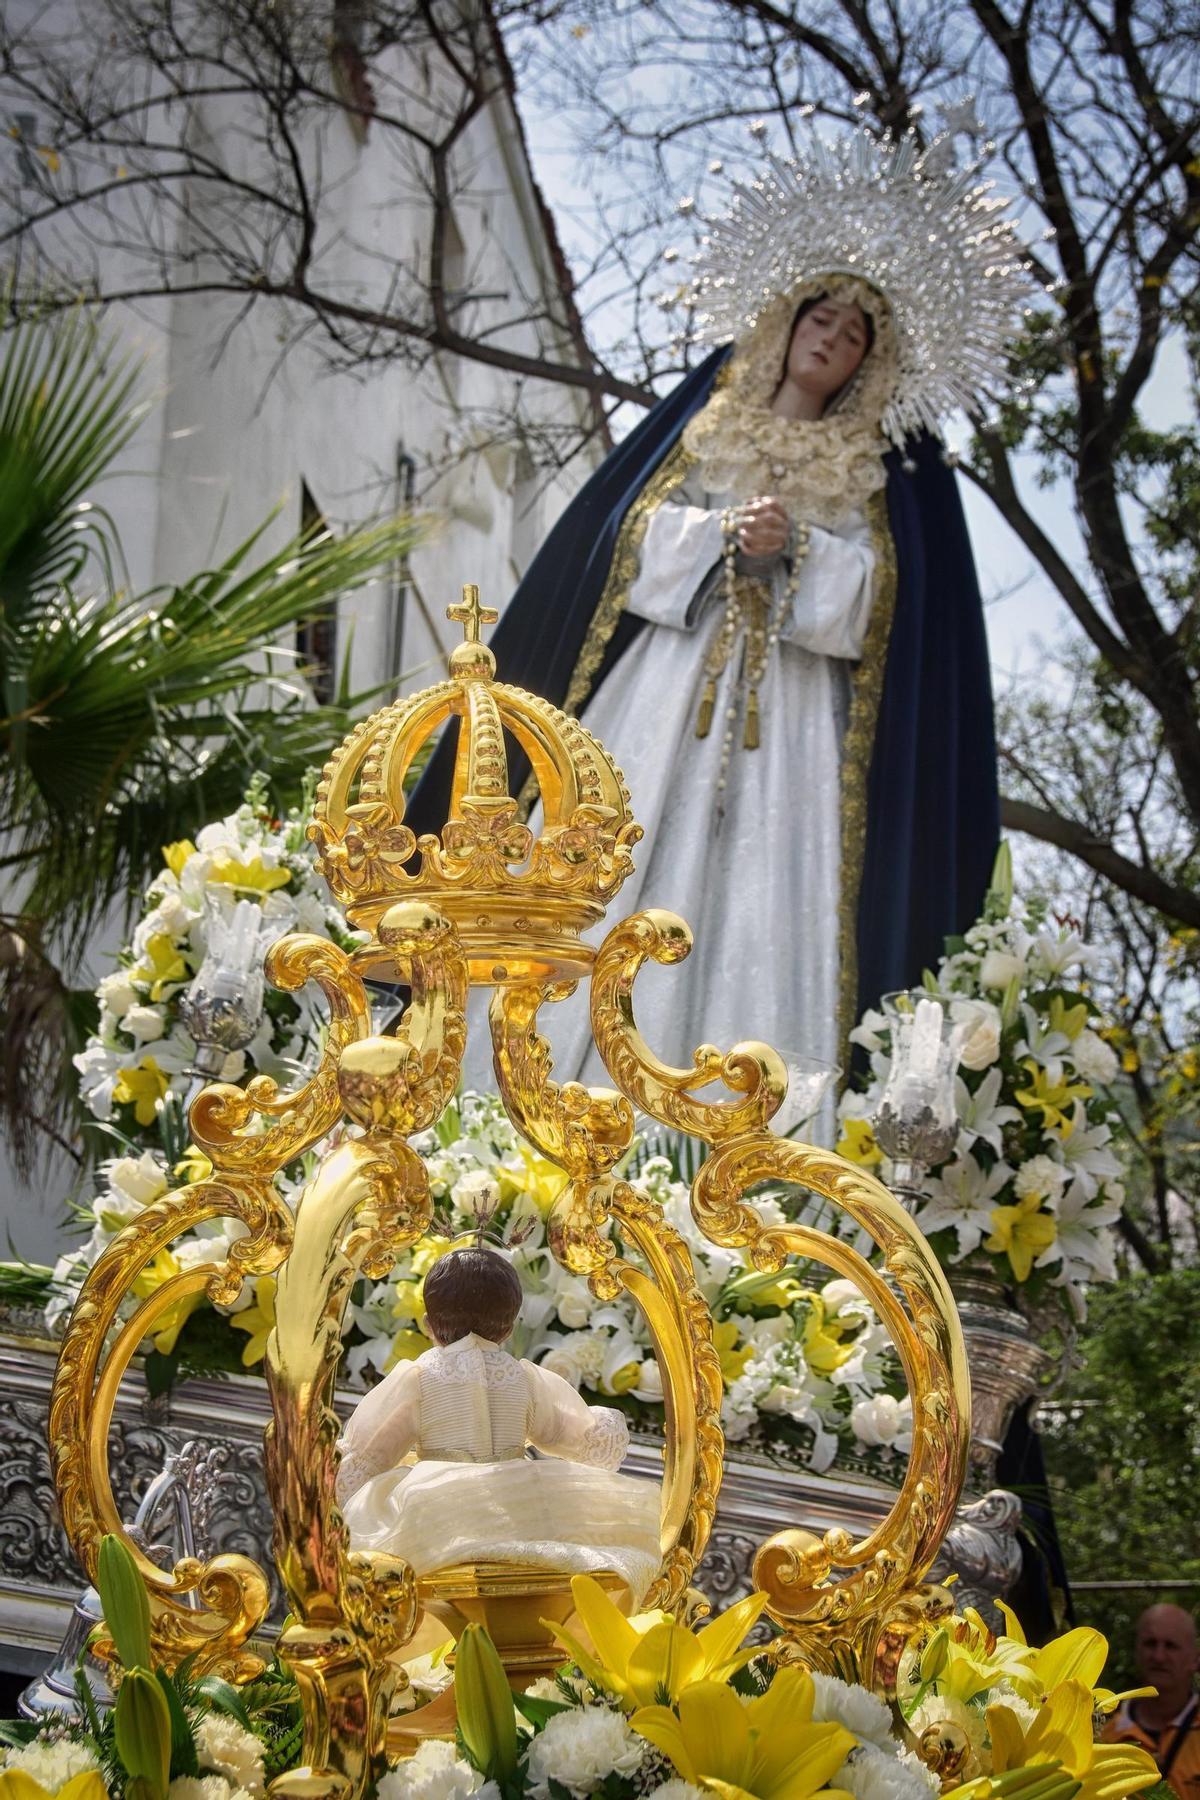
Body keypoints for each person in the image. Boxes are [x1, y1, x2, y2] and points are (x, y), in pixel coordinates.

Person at [406, 130, 1027, 1091]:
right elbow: (615, 545)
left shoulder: (880, 474)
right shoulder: (704, 422)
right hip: (663, 686)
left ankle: (744, 1125)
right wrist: (720, 534)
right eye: (821, 316)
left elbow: (893, 618)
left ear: (872, 364)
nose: (832, 337)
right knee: (609, 852)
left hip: (793, 722)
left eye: (856, 334)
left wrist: (808, 553)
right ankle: (525, 1087)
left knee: (772, 896)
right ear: (786, 320)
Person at [335, 1245, 662, 1603]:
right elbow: (583, 1439)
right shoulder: (524, 1379)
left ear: (428, 1324)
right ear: (508, 1329)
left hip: (439, 1511)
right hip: (517, 1507)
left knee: (377, 1549)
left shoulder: (419, 1378)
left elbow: (371, 1455)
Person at [1104, 1605, 1200, 1800]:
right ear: (1136, 1652)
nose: (1158, 1656)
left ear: (1195, 1659)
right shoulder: (1103, 1731)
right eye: (1150, 1644)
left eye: (1171, 1646)